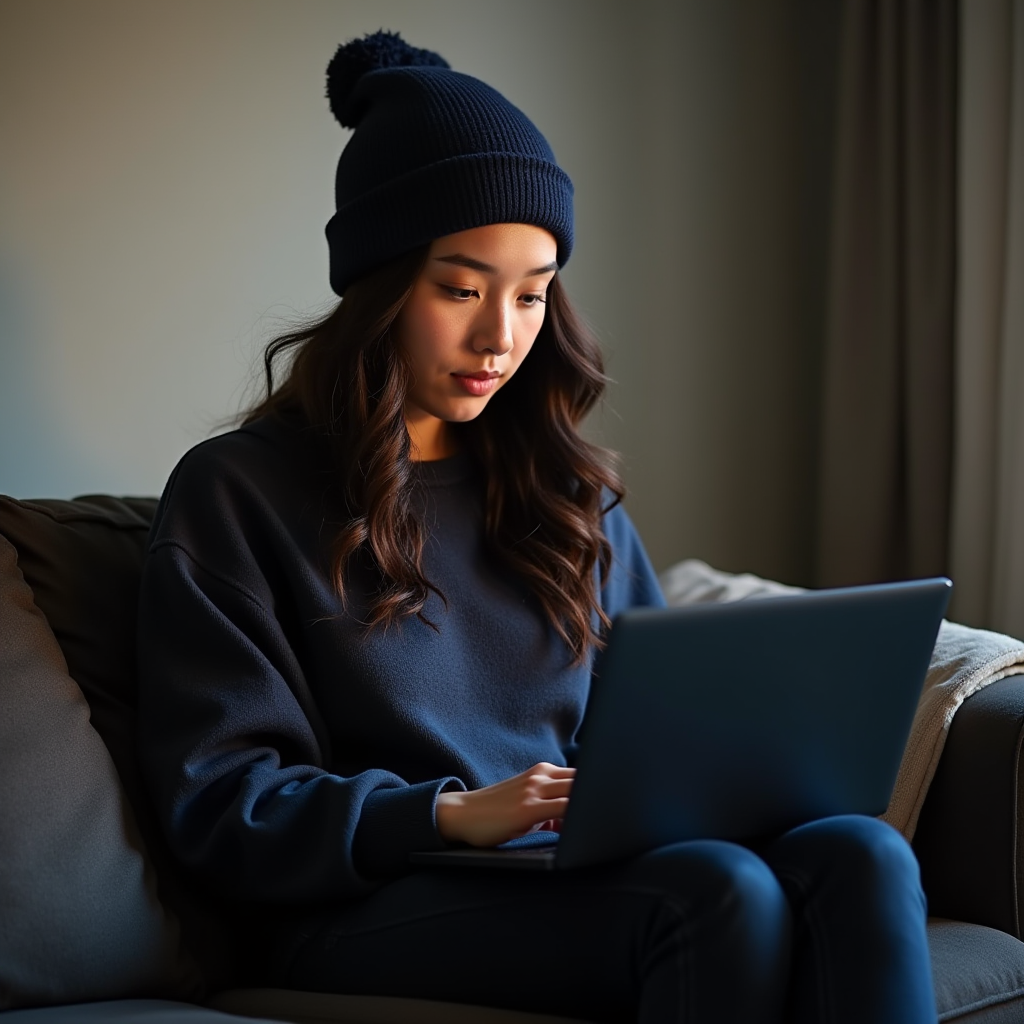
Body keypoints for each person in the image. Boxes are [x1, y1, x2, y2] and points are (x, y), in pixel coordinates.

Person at [137, 30, 937, 1024]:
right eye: (461, 288)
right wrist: (443, 812)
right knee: (718, 892)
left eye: (532, 291)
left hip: (564, 869)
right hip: (360, 900)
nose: (500, 336)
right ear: (378, 283)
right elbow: (222, 800)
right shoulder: (237, 493)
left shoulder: (566, 492)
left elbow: (657, 726)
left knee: (859, 854)